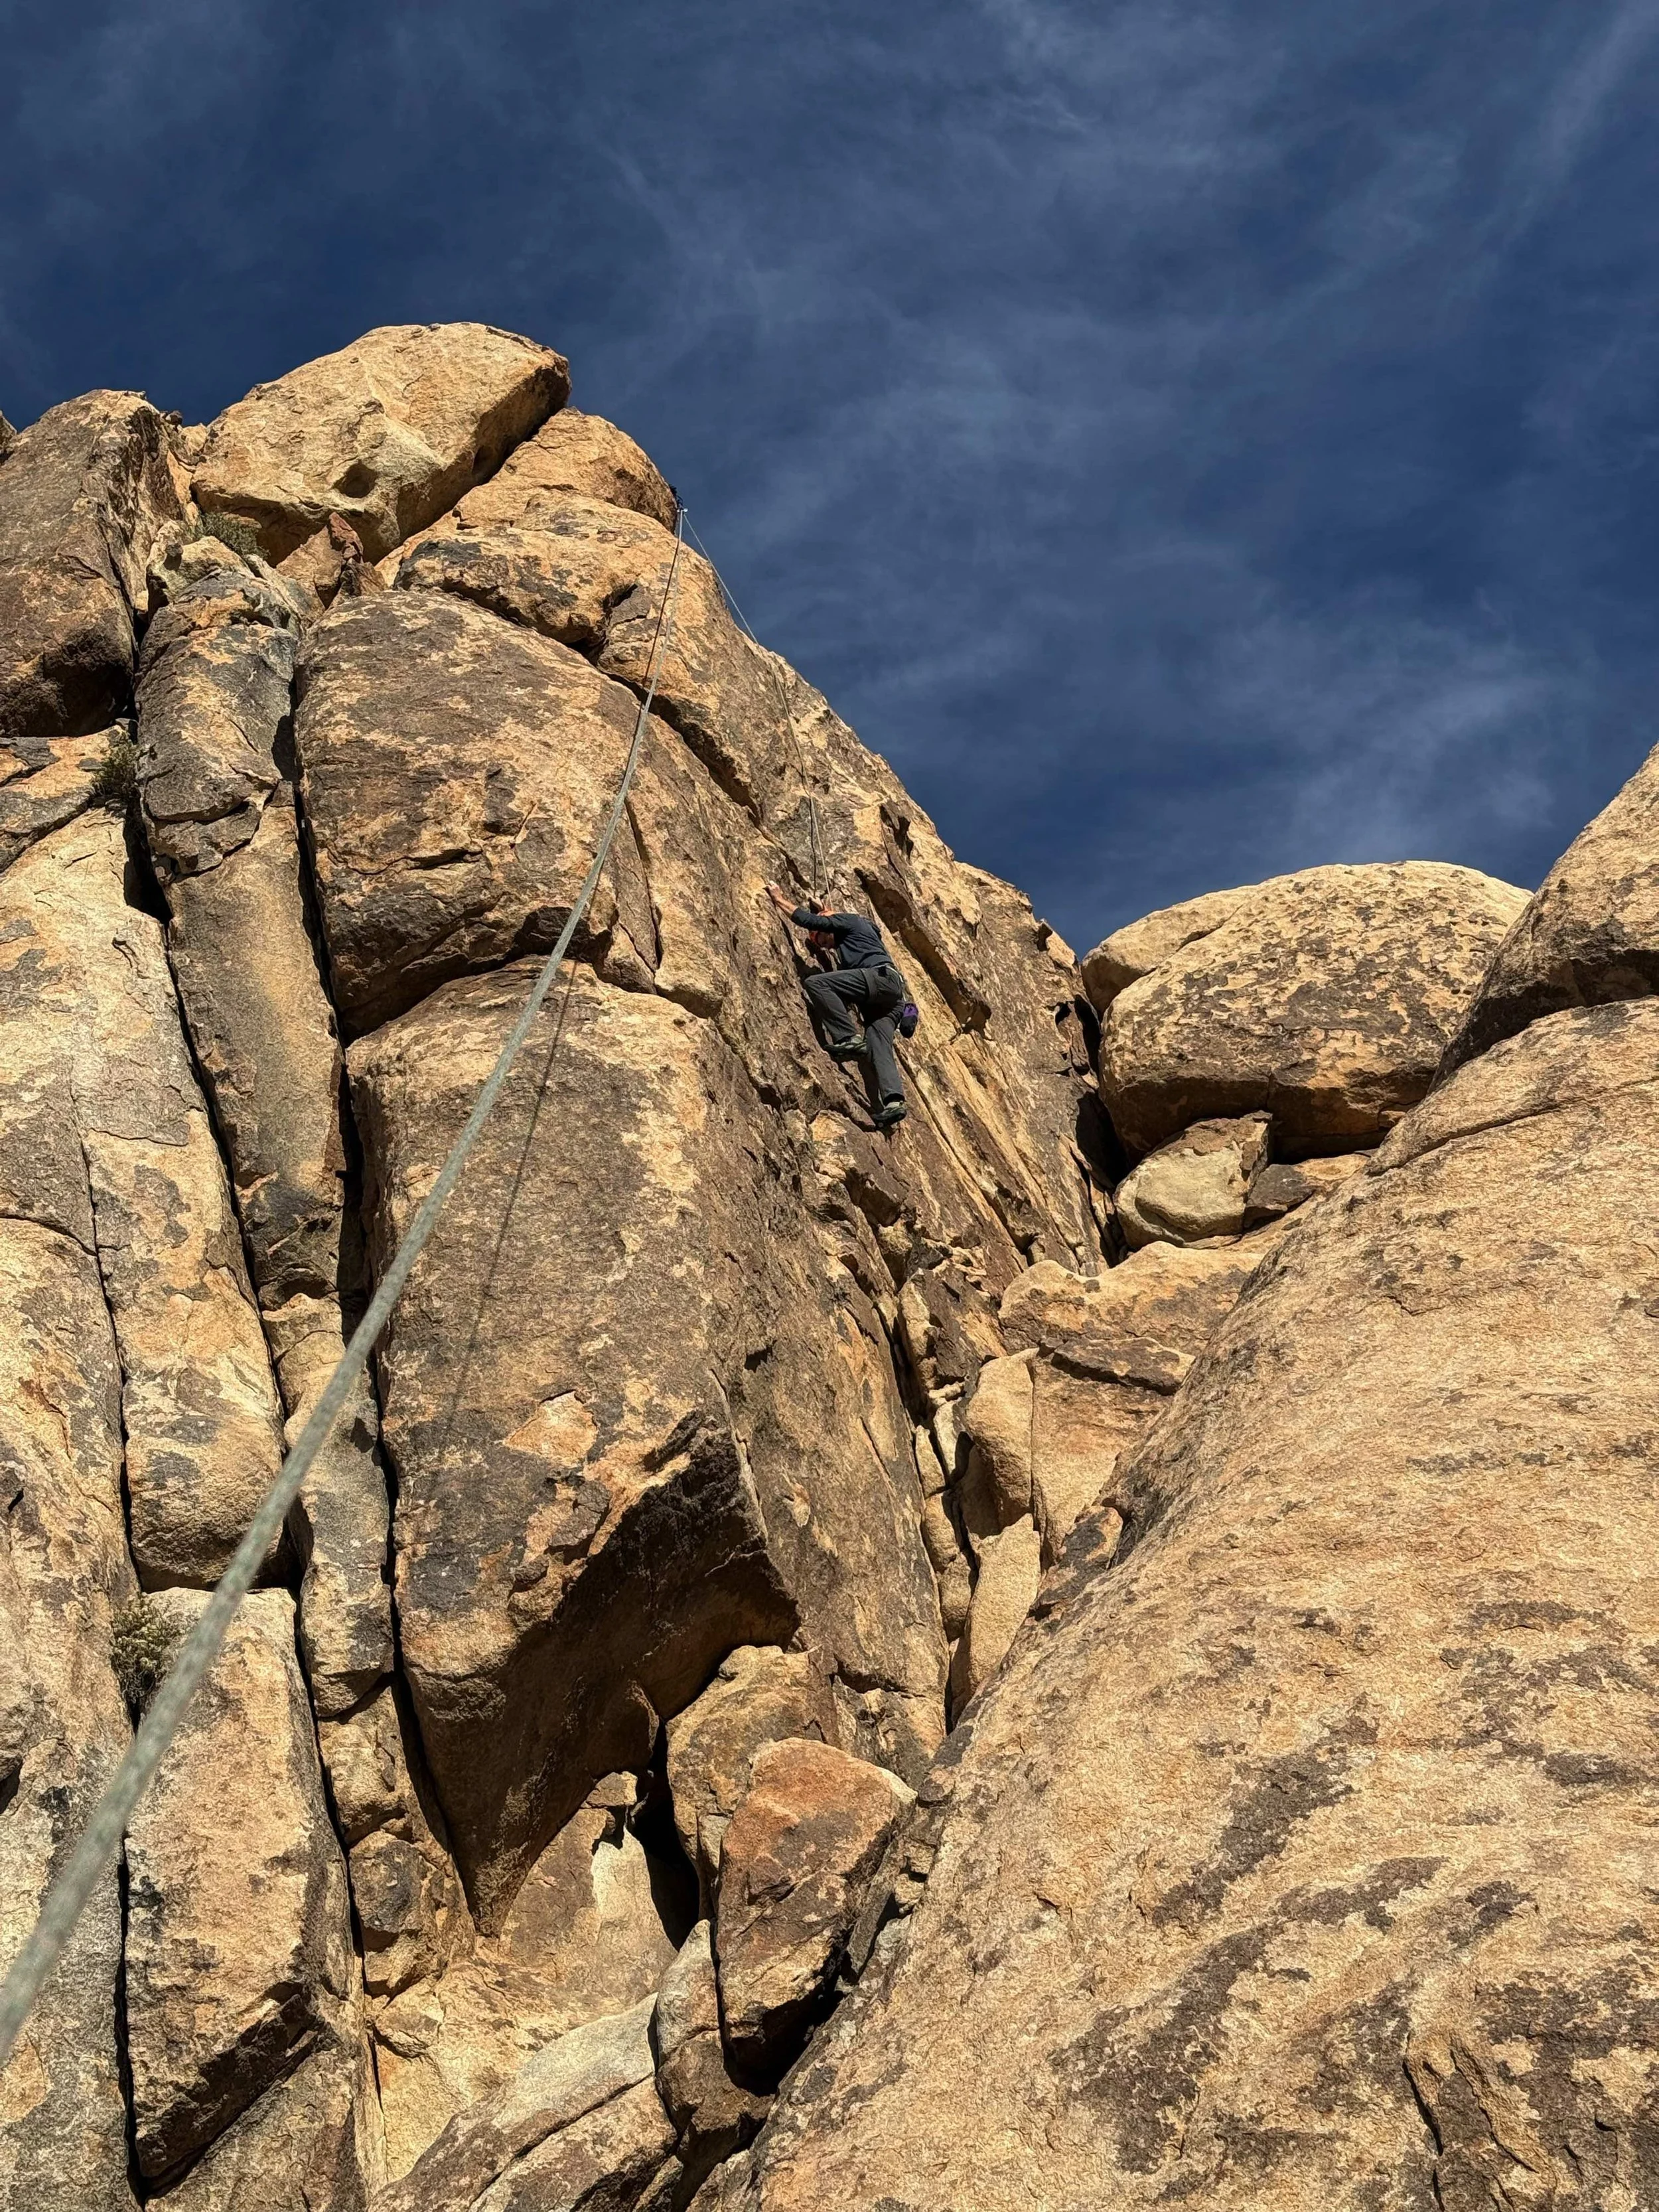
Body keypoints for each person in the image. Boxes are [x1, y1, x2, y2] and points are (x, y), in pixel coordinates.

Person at [766, 883, 908, 1128]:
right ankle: (894, 1101)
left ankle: (848, 1038)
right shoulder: (862, 932)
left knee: (817, 984)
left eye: (823, 941)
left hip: (878, 979)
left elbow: (813, 921)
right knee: (879, 1044)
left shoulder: (849, 922)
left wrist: (779, 900)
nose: (826, 947)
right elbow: (831, 921)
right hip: (892, 998)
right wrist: (826, 911)